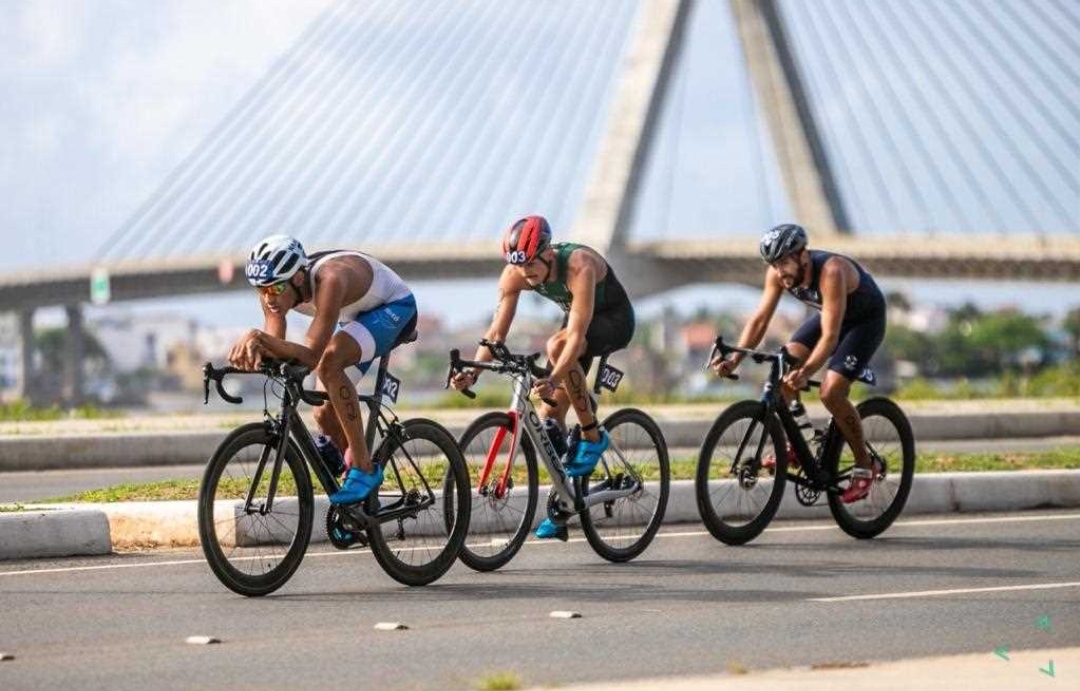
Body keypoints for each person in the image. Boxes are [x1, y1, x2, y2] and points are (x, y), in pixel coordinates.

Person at [449, 215, 635, 538]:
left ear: (548, 252)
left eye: (531, 264)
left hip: (613, 321)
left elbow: (575, 339)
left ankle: (593, 436)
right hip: (577, 326)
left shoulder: (580, 265)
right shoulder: (516, 273)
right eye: (518, 266)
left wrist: (554, 377)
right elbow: (495, 333)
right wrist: (472, 372)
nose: (526, 273)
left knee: (557, 345)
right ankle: (565, 504)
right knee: (550, 418)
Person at [229, 234, 418, 506]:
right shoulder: (272, 289)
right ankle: (357, 496)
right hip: (353, 317)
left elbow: (310, 355)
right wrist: (255, 354)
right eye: (261, 289)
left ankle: (364, 468)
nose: (268, 297)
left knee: (328, 363)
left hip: (394, 307)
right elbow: (276, 344)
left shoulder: (330, 280)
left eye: (274, 289)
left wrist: (260, 339)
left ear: (297, 278)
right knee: (322, 412)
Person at [709, 223, 887, 503]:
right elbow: (759, 320)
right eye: (773, 265)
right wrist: (735, 358)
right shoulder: (778, 274)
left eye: (783, 263)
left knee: (831, 392)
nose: (780, 272)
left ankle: (865, 465)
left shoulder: (832, 271)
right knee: (782, 371)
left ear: (802, 256)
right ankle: (799, 443)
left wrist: (805, 373)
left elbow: (830, 337)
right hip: (829, 315)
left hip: (864, 323)